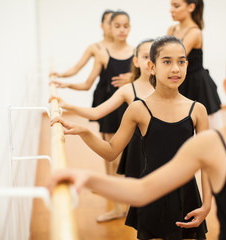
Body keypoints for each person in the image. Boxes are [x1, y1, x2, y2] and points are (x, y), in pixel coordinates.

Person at [49, 41, 226, 240]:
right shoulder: (208, 143)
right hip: (157, 198)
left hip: (187, 199)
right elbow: (141, 189)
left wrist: (206, 204)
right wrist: (85, 172)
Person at [50, 35, 211, 239]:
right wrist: (85, 132)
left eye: (181, 62)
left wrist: (207, 204)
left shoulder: (197, 110)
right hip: (148, 193)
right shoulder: (138, 109)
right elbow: (110, 152)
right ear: (152, 66)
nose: (175, 69)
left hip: (186, 196)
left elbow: (207, 163)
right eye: (167, 62)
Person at [52, 10, 135, 222]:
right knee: (110, 156)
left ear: (130, 27)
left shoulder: (136, 53)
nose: (120, 29)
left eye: (125, 25)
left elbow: (147, 78)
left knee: (123, 157)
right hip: (107, 107)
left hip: (127, 107)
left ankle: (122, 199)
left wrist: (133, 78)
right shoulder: (100, 52)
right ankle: (115, 200)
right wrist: (64, 81)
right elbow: (87, 80)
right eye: (116, 25)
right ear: (108, 26)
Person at [49, 38, 155, 178]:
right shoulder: (128, 90)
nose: (149, 62)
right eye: (145, 57)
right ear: (136, 61)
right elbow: (97, 112)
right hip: (140, 152)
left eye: (154, 57)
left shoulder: (166, 87)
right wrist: (68, 106)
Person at [167, 0, 223, 129]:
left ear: (191, 7)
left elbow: (175, 56)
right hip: (180, 82)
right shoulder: (172, 29)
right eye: (171, 6)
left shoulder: (194, 32)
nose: (171, 10)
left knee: (212, 131)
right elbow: (161, 54)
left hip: (198, 85)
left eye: (176, 6)